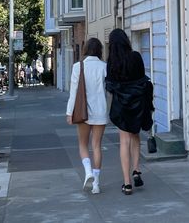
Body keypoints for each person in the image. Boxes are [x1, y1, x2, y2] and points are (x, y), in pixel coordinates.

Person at [106, 28, 154, 195]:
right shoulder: (136, 57)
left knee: (124, 141)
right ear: (126, 41)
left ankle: (127, 183)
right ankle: (136, 169)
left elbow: (110, 87)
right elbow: (143, 80)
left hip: (121, 105)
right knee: (135, 136)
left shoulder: (111, 62)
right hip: (137, 104)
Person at [66, 38, 108, 194]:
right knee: (96, 146)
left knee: (83, 144)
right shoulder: (105, 67)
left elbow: (73, 92)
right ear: (99, 50)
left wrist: (69, 113)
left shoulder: (78, 67)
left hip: (83, 112)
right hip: (100, 111)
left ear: (85, 49)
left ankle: (88, 171)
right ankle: (96, 183)